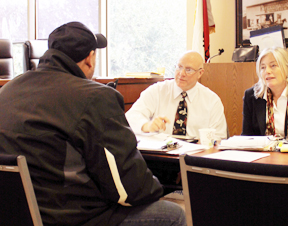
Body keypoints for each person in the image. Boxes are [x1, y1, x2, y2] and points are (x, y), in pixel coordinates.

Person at [0, 22, 186, 226]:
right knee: (174, 214)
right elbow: (128, 189)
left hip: (17, 214)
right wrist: (161, 189)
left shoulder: (8, 91)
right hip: (74, 218)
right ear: (90, 58)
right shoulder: (95, 97)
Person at [126, 50, 228, 141]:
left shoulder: (212, 100)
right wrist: (147, 126)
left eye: (188, 70)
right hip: (160, 155)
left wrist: (207, 142)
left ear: (200, 73)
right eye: (179, 67)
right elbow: (131, 117)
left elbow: (220, 136)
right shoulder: (157, 90)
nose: (181, 73)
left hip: (195, 157)